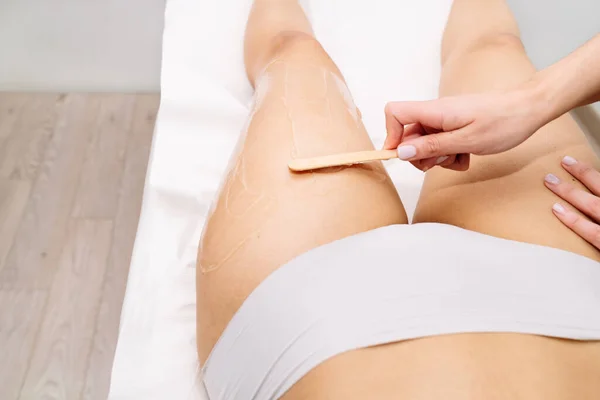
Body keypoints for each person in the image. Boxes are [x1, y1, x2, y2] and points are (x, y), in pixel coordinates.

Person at [196, 0, 600, 399]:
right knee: (494, 47)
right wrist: (531, 102)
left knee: (293, 52)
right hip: (560, 291)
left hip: (304, 327)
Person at [384, 33, 600, 249]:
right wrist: (529, 102)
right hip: (552, 257)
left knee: (491, 45)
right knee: (495, 44)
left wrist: (532, 100)